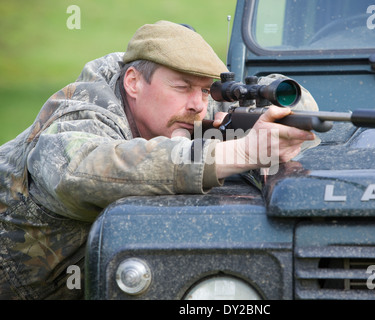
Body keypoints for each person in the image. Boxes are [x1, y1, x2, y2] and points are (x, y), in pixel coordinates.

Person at [0, 21, 319, 299]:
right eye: (182, 87)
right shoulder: (84, 108)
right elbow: (77, 171)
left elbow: (302, 106)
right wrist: (241, 151)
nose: (197, 105)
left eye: (207, 91)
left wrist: (269, 118)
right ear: (134, 82)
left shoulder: (184, 107)